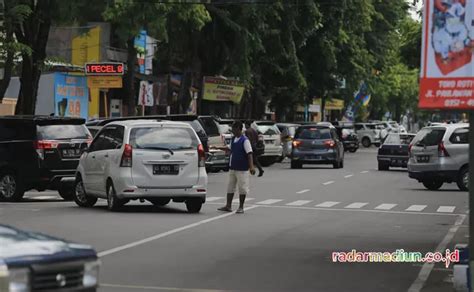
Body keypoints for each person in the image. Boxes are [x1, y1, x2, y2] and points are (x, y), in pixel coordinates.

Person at [214, 121, 256, 214]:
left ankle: (241, 207)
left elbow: (249, 154)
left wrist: (251, 166)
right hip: (233, 167)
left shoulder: (245, 140)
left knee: (242, 188)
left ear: (238, 128)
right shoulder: (233, 139)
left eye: (233, 128)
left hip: (242, 168)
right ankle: (228, 205)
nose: (232, 130)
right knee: (230, 187)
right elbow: (229, 148)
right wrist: (217, 147)